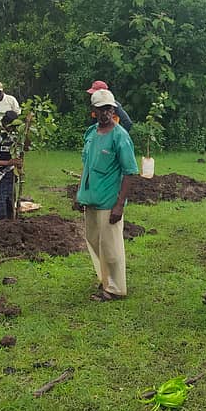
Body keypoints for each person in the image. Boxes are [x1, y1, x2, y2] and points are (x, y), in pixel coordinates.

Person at [77, 89, 138, 300]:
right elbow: (87, 165)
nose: (105, 113)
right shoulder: (91, 133)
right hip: (90, 198)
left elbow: (129, 172)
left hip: (108, 200)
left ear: (113, 110)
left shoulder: (120, 136)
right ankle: (104, 280)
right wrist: (80, 195)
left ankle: (115, 289)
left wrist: (119, 204)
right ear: (93, 111)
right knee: (93, 240)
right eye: (101, 109)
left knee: (110, 247)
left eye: (109, 109)